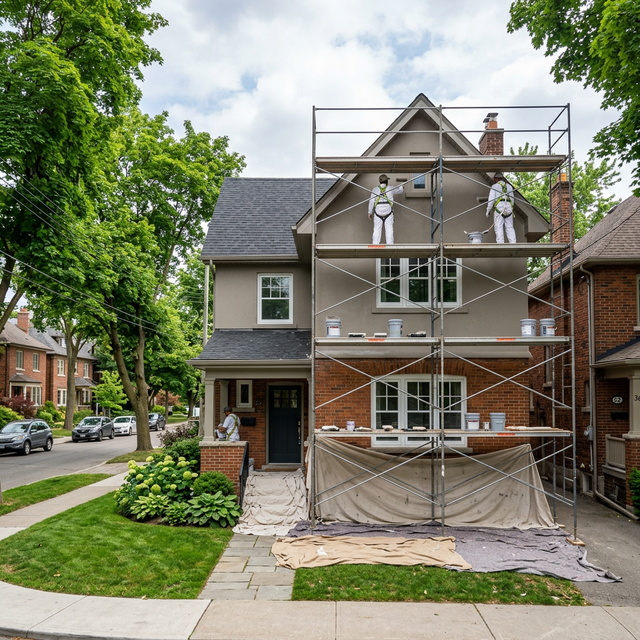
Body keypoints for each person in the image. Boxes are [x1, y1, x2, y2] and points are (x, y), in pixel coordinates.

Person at [368, 174, 403, 245]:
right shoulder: (390, 188)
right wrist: (401, 185)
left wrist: (369, 212)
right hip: (388, 213)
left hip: (378, 214)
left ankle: (375, 245)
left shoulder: (375, 190)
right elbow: (400, 191)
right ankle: (390, 246)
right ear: (387, 181)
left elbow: (371, 201)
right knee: (389, 230)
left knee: (376, 230)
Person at [486, 172, 516, 244]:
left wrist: (488, 210)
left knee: (498, 227)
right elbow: (512, 199)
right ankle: (513, 243)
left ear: (496, 179)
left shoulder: (495, 186)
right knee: (509, 228)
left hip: (499, 209)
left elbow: (491, 200)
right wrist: (511, 209)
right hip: (508, 210)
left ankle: (500, 244)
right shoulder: (509, 187)